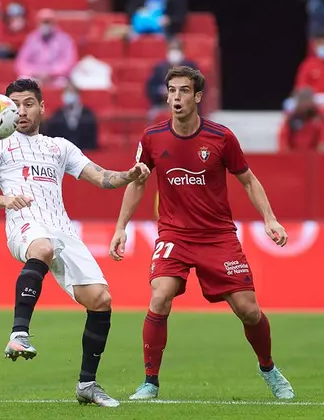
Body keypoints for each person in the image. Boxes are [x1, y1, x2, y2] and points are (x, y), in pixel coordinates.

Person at [108, 66, 295, 400]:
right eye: (172, 91)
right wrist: (121, 227)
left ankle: (268, 368)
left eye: (184, 91)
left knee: (248, 310)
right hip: (174, 235)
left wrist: (270, 219)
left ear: (197, 97)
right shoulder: (152, 137)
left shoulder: (221, 137)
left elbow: (248, 180)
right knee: (160, 294)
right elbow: (138, 182)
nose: (176, 97)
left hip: (217, 236)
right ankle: (150, 382)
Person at [0, 78, 149, 407]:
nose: (21, 111)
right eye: (14, 105)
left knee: (101, 299)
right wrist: (5, 200)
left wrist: (129, 176)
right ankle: (18, 334)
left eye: (27, 104)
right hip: (24, 225)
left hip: (62, 230)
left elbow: (101, 178)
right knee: (41, 248)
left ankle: (87, 384)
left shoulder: (60, 147)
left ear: (42, 107)